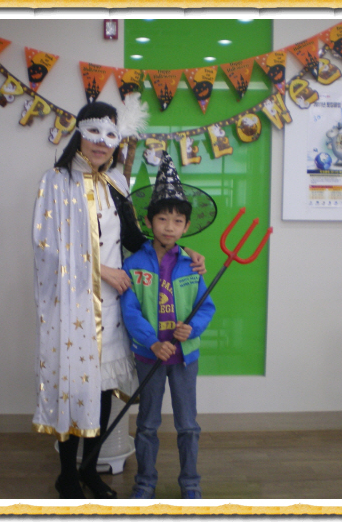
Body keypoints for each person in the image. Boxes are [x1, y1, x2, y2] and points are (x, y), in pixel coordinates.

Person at [32, 97, 206, 500]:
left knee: (102, 391)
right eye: (93, 132)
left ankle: (89, 471)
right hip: (72, 305)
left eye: (110, 135)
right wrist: (100, 271)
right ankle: (67, 476)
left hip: (110, 306)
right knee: (75, 388)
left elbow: (135, 238)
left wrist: (183, 252)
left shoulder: (116, 184)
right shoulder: (55, 182)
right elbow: (47, 248)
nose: (101, 142)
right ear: (79, 134)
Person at [121, 152, 216, 500]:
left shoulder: (193, 265)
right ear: (149, 221)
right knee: (147, 424)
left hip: (184, 358)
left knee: (188, 425)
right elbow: (130, 310)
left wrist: (193, 329)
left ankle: (190, 482)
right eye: (162, 218)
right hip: (150, 356)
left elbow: (206, 307)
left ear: (186, 227)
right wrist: (151, 342)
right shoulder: (134, 263)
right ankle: (144, 482)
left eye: (177, 221)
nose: (169, 227)